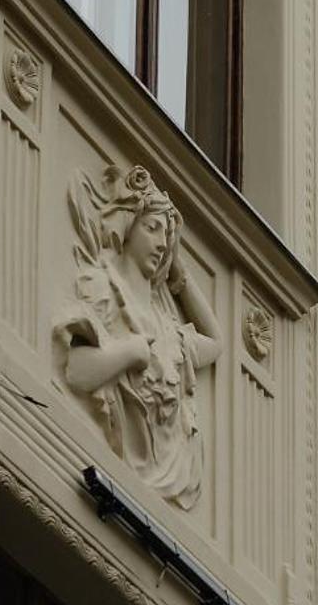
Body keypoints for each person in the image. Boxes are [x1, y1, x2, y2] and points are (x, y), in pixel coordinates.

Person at [57, 164, 224, 510]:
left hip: (172, 473)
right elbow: (74, 369)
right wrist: (128, 352)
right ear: (128, 227)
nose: (162, 244)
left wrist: (179, 274)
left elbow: (216, 342)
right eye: (152, 228)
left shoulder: (168, 329)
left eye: (168, 237)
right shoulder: (103, 291)